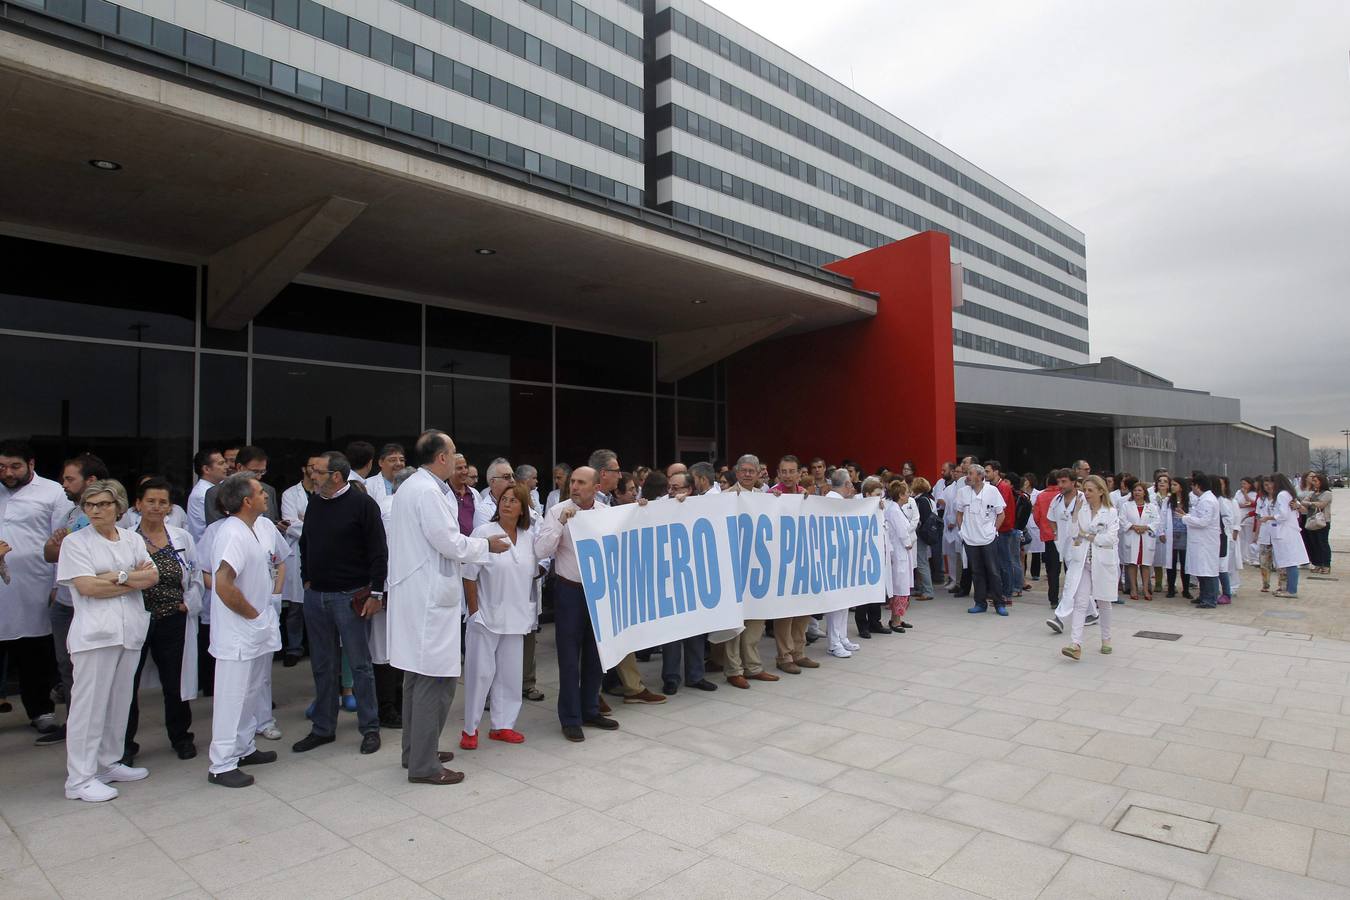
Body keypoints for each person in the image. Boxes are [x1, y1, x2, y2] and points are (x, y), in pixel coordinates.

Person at [388, 431, 507, 783]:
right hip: (428, 598)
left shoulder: (415, 487)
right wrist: (486, 546)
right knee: (435, 681)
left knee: (416, 676)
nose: (458, 459)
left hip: (419, 594)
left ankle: (415, 751)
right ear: (441, 457)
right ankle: (424, 765)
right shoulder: (426, 491)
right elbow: (449, 543)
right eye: (454, 453)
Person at [56, 479, 159, 801]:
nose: (96, 510)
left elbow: (152, 576)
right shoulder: (76, 543)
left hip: (129, 631)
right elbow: (87, 588)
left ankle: (107, 763)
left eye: (103, 504)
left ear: (118, 507)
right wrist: (131, 579)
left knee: (118, 702)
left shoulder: (131, 539)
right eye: (90, 505)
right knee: (88, 707)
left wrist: (118, 576)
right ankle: (79, 778)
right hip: (95, 635)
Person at [294, 451, 387, 756]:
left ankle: (370, 728)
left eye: (317, 471)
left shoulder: (362, 505)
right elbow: (305, 543)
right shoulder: (316, 503)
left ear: (336, 475)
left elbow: (378, 551)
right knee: (322, 665)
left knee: (360, 666)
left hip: (350, 597)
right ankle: (323, 728)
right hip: (316, 596)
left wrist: (376, 593)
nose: (312, 476)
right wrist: (307, 578)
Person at [536, 465, 628, 736]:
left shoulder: (605, 513)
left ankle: (590, 709)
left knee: (595, 654)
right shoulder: (557, 512)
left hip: (599, 592)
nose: (574, 486)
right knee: (568, 657)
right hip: (569, 591)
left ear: (596, 488)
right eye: (572, 482)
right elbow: (540, 550)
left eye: (581, 483)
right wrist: (562, 523)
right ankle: (570, 718)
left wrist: (642, 511)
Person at [206, 474, 282, 788]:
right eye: (260, 491)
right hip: (239, 630)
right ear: (246, 501)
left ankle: (243, 747)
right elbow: (223, 584)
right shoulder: (231, 533)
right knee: (231, 697)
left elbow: (275, 563)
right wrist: (253, 616)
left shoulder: (261, 528)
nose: (266, 494)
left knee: (252, 691)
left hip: (258, 626)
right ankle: (221, 764)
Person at [123, 477, 201, 764]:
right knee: (127, 685)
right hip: (138, 619)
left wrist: (186, 604)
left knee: (175, 683)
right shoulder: (126, 539)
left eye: (163, 502)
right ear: (138, 504)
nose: (157, 507)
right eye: (151, 501)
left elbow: (194, 577)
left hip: (172, 619)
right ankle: (125, 745)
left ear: (170, 507)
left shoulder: (181, 537)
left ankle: (181, 737)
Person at [37, 452, 110, 747]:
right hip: (65, 603)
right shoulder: (69, 514)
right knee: (66, 667)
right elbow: (50, 553)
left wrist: (64, 544)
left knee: (91, 669)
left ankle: (97, 728)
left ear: (90, 481)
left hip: (91, 604)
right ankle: (74, 723)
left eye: (69, 479)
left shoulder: (108, 518)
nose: (63, 484)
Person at [461, 483, 539, 749]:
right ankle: (469, 729)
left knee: (509, 675)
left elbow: (537, 569)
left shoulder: (528, 535)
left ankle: (502, 725)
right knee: (479, 674)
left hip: (516, 617)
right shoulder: (485, 532)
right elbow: (469, 575)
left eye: (513, 500)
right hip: (486, 615)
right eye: (503, 499)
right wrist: (474, 613)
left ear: (522, 508)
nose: (506, 503)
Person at [0, 439, 67, 739]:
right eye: (2, 467)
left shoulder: (53, 492)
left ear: (31, 464)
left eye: (15, 466)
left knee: (34, 652)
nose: (8, 473)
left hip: (35, 586)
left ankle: (41, 712)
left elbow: (62, 542)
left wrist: (56, 584)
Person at [707, 455, 781, 687]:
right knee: (735, 623)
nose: (748, 474)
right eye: (744, 470)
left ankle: (753, 667)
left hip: (758, 568)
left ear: (759, 473)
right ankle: (734, 670)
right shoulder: (725, 498)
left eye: (752, 471)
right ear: (736, 473)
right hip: (734, 568)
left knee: (756, 621)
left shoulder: (767, 498)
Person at [1055, 475, 1119, 660]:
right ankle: (1075, 644)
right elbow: (1073, 533)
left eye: (1091, 490)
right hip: (1082, 562)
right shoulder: (1081, 509)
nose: (1087, 494)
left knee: (1104, 601)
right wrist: (1075, 512)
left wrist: (1088, 536)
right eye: (1085, 490)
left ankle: (1106, 639)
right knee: (1080, 601)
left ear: (1101, 491)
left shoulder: (1111, 512)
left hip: (1103, 562)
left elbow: (1110, 539)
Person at [769, 455, 818, 673]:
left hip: (803, 560)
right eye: (784, 471)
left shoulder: (805, 495)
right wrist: (772, 502)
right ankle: (784, 656)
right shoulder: (771, 495)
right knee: (785, 612)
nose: (788, 476)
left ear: (800, 474)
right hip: (781, 561)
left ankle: (799, 652)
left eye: (792, 471)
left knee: (803, 609)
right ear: (778, 473)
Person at [279, 456, 321, 667]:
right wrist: (316, 527)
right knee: (295, 608)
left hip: (320, 553)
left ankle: (315, 648)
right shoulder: (290, 494)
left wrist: (306, 521)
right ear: (304, 468)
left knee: (316, 607)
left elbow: (329, 520)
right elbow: (289, 523)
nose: (314, 471)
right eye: (311, 466)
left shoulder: (324, 491)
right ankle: (293, 648)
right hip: (297, 551)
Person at [955, 464, 1007, 615]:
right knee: (976, 572)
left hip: (988, 538)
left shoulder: (992, 491)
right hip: (970, 539)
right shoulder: (962, 492)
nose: (967, 477)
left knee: (993, 571)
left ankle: (999, 604)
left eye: (970, 474)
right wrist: (962, 532)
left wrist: (993, 530)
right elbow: (959, 514)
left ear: (980, 476)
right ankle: (980, 603)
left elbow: (1001, 514)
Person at [823, 469, 862, 656]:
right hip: (833, 557)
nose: (853, 487)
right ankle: (833, 641)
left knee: (845, 598)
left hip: (844, 557)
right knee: (836, 601)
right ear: (846, 485)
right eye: (851, 484)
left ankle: (842, 636)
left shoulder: (843, 502)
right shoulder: (831, 501)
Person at [205, 446, 280, 526]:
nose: (259, 476)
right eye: (255, 472)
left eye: (262, 471)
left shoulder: (269, 490)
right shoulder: (215, 494)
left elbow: (273, 522)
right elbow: (215, 530)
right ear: (239, 467)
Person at [1264, 473, 1309, 599]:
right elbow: (1301, 509)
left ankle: (1291, 590)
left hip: (1285, 532)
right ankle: (1289, 588)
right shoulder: (1288, 494)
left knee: (1290, 561)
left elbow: (1283, 515)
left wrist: (1269, 517)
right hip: (1287, 531)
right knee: (1289, 561)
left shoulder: (1282, 495)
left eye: (1271, 482)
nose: (1270, 485)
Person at [984, 461, 1022, 607]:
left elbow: (1000, 510)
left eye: (988, 471)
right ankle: (1003, 594)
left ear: (996, 471)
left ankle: (1006, 594)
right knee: (1001, 563)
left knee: (1004, 564)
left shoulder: (1002, 488)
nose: (986, 475)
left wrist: (994, 528)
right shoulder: (996, 487)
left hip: (1003, 530)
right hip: (999, 529)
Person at [1183, 474, 1222, 609]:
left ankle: (1210, 599)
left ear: (1197, 486)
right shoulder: (1203, 499)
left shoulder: (1208, 501)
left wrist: (1185, 518)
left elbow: (1204, 521)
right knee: (1201, 569)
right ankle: (1203, 595)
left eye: (1192, 485)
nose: (1191, 488)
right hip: (1200, 541)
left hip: (1206, 542)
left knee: (1208, 570)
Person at [884, 478, 917, 633]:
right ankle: (895, 621)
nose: (909, 495)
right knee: (900, 587)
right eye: (907, 493)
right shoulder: (894, 510)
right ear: (901, 495)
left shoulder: (896, 508)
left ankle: (897, 618)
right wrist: (907, 543)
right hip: (899, 551)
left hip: (901, 551)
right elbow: (901, 531)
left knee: (902, 585)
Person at [1120, 480, 1160, 602]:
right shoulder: (1126, 505)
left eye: (1139, 490)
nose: (1137, 492)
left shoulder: (1151, 507)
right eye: (1135, 490)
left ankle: (1146, 589)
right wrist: (1133, 527)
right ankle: (1133, 588)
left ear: (1144, 493)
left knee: (1145, 564)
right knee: (1132, 563)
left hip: (1146, 538)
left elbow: (1157, 521)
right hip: (1132, 536)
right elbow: (1122, 520)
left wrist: (1146, 527)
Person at [1032, 471, 1062, 611]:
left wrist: (1044, 528)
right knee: (1071, 569)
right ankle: (1072, 597)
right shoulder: (1063, 495)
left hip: (1049, 536)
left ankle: (1053, 599)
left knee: (1052, 570)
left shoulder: (1041, 496)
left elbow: (1037, 517)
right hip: (1066, 537)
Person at [186, 449, 227, 540]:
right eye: (221, 463)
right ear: (206, 469)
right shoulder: (202, 494)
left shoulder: (215, 488)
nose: (226, 466)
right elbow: (217, 524)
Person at [364, 443, 406, 515]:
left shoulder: (410, 484)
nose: (399, 463)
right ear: (381, 463)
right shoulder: (368, 485)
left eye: (402, 460)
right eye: (393, 460)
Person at [1302, 472, 1332, 574]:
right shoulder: (1312, 493)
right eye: (1313, 481)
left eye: (1316, 481)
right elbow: (1303, 502)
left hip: (1322, 521)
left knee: (1322, 543)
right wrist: (1312, 503)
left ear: (1321, 482)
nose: (1313, 483)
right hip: (1311, 520)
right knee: (1314, 544)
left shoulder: (1327, 493)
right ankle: (1317, 563)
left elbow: (1322, 504)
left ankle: (1326, 565)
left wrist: (1310, 503)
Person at [1166, 479, 1191, 598]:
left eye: (1175, 485)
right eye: (1172, 485)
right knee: (1171, 563)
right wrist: (1162, 532)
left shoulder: (1190, 500)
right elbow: (1163, 516)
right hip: (1172, 534)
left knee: (1185, 563)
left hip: (1185, 534)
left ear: (1181, 487)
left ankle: (1186, 589)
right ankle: (1171, 588)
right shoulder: (1168, 501)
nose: (1172, 487)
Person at [474, 457, 516, 529]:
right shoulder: (483, 510)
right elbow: (488, 538)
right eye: (506, 477)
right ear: (493, 482)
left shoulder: (521, 503)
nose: (512, 480)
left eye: (513, 476)